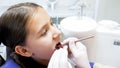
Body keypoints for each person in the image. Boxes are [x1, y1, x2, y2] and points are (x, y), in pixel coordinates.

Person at [0, 2, 114, 68]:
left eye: (51, 23)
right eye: (44, 32)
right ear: (24, 51)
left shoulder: (70, 60)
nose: (58, 32)